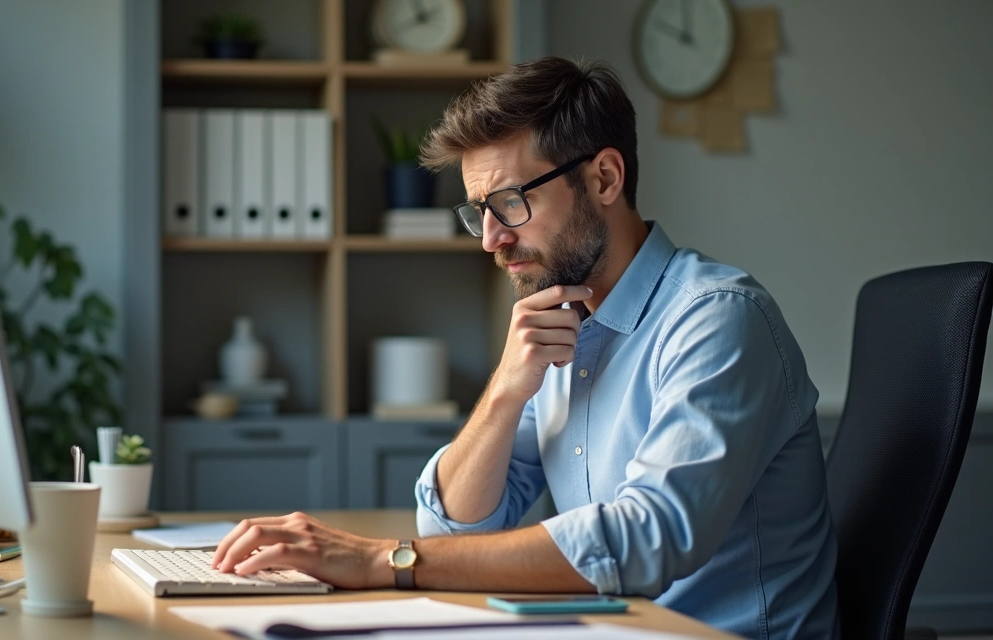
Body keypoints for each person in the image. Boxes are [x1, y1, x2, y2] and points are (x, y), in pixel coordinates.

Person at [211, 57, 839, 638]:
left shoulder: (717, 320)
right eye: (479, 210)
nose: (490, 240)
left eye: (510, 203)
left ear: (604, 177)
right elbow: (456, 525)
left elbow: (648, 539)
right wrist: (507, 389)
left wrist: (381, 560)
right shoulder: (562, 323)